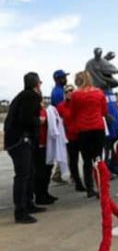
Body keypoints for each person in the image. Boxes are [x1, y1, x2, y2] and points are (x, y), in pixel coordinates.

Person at [4, 72, 46, 223]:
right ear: (36, 84)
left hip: (16, 140)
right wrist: (39, 121)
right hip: (20, 141)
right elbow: (25, 118)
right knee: (22, 175)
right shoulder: (31, 97)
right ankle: (20, 211)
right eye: (39, 83)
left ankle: (28, 204)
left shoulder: (22, 96)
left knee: (29, 172)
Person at [71, 71, 107, 198]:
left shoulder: (75, 95)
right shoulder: (99, 93)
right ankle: (102, 187)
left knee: (87, 161)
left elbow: (73, 113)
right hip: (98, 127)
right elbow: (104, 111)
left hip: (83, 130)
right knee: (98, 159)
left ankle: (90, 188)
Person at [57, 84, 86, 192]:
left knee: (86, 159)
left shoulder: (81, 104)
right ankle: (78, 182)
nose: (69, 92)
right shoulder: (61, 106)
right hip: (70, 137)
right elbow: (57, 122)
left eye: (71, 90)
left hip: (83, 135)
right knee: (73, 160)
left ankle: (89, 182)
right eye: (67, 91)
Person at [50, 69, 70, 183]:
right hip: (62, 125)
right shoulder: (58, 92)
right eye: (63, 77)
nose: (65, 79)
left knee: (65, 150)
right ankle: (58, 174)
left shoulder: (60, 90)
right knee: (65, 150)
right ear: (57, 79)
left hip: (62, 125)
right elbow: (61, 110)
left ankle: (58, 174)